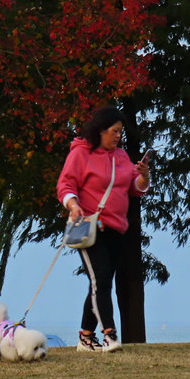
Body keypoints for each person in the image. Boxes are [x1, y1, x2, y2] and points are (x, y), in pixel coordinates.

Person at [56, 106, 150, 353]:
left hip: (116, 229)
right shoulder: (81, 154)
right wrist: (73, 204)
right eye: (114, 131)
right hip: (89, 228)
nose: (118, 136)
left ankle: (86, 338)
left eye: (120, 132)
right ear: (101, 130)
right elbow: (65, 184)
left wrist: (143, 177)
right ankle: (110, 334)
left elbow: (134, 188)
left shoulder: (121, 157)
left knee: (100, 282)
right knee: (101, 280)